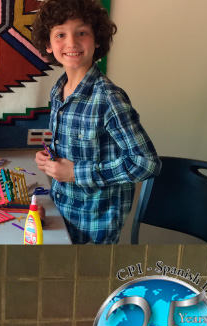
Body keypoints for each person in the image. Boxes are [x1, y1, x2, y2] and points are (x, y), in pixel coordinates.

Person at [31, 0, 158, 245]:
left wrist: (75, 173)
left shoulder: (108, 98)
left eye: (82, 33)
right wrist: (50, 159)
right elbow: (76, 151)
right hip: (64, 210)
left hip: (96, 225)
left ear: (97, 39)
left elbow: (146, 164)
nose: (71, 43)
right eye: (60, 34)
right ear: (48, 44)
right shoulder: (59, 90)